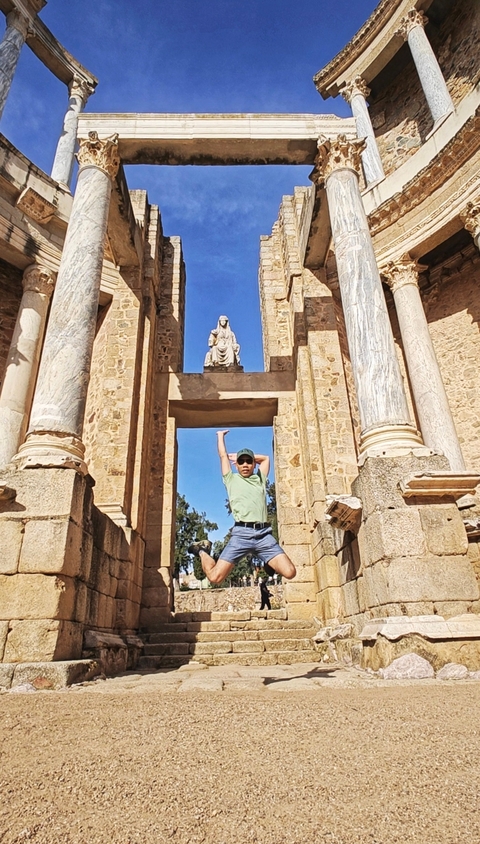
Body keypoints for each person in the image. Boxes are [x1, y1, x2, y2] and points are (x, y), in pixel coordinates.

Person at [188, 430, 297, 585]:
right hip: (241, 535)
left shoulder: (260, 479)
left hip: (264, 535)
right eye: (241, 462)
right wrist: (221, 438)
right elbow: (222, 455)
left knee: (290, 572)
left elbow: (266, 458)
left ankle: (267, 559)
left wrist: (241, 456)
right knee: (214, 578)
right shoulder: (231, 479)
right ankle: (202, 550)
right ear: (236, 465)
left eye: (248, 461)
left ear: (253, 464)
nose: (245, 464)